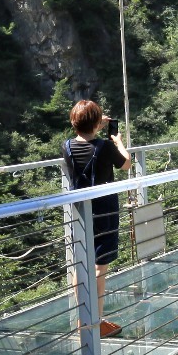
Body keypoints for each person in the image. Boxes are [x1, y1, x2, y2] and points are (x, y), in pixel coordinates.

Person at [62, 99, 132, 338]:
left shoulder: (67, 146)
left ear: (74, 123)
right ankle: (96, 321)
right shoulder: (104, 147)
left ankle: (83, 317)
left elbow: (84, 141)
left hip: (80, 210)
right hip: (104, 209)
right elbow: (126, 165)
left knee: (81, 263)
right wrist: (119, 141)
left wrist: (92, 127)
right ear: (95, 123)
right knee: (100, 266)